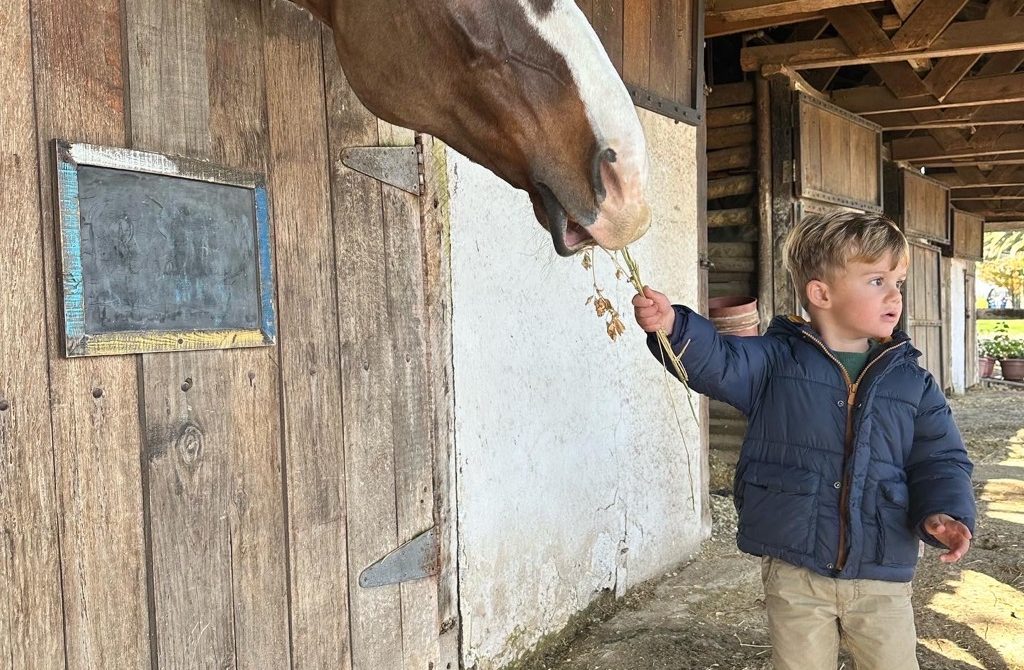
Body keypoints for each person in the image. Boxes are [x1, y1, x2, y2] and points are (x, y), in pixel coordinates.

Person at [632, 211, 976, 670]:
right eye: (877, 280)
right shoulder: (774, 361)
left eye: (899, 280)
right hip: (797, 569)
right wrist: (674, 326)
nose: (895, 294)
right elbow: (720, 361)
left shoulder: (913, 382)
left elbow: (941, 459)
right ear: (821, 293)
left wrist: (945, 510)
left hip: (881, 568)